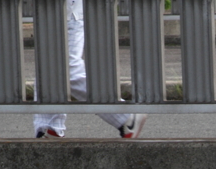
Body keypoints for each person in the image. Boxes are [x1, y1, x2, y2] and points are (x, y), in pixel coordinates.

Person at [34, 0, 146, 140]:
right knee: (48, 67)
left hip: (68, 10)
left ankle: (124, 115)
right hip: (53, 11)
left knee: (65, 69)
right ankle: (49, 127)